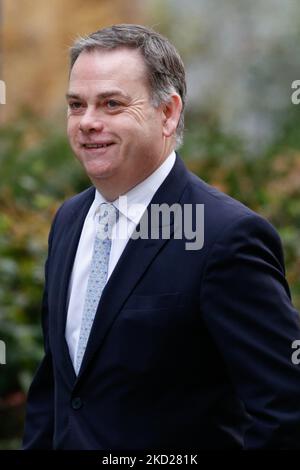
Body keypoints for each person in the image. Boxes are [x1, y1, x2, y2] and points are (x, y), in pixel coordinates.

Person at [23, 24, 300, 450]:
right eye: (76, 105)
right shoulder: (70, 220)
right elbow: (57, 390)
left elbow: (286, 409)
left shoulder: (223, 236)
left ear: (168, 113)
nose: (88, 122)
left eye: (112, 104)